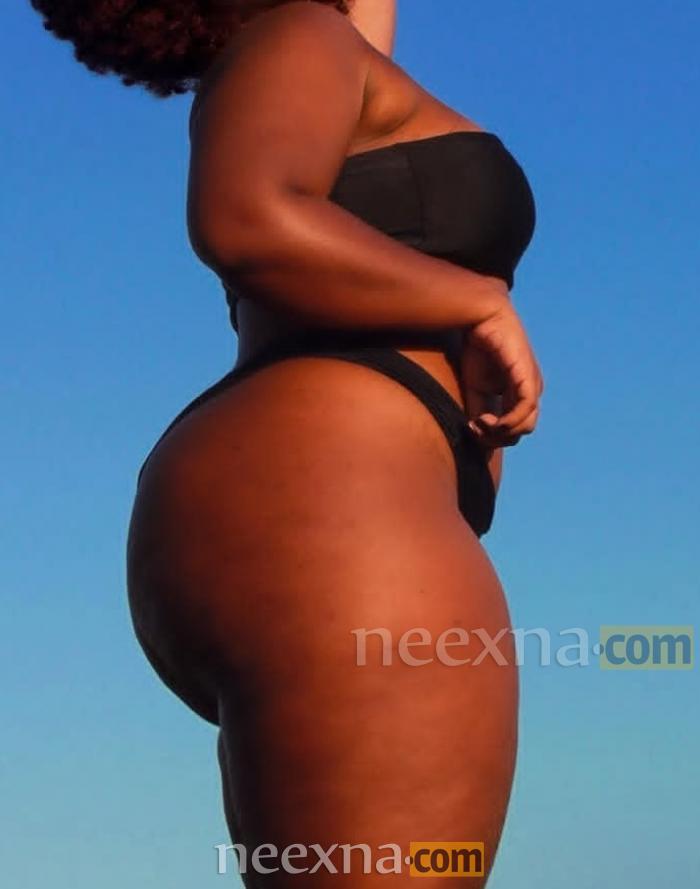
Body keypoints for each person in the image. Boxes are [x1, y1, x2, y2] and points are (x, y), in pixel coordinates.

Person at [31, 0, 544, 885]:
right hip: (332, 509)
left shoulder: (324, 53)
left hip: (314, 513)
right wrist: (475, 300)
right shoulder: (297, 35)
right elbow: (246, 215)